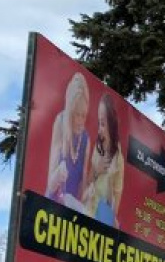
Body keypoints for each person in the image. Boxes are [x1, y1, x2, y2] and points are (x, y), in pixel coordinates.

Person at [47, 72, 92, 211]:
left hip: (70, 214)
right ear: (69, 112)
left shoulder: (86, 139)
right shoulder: (60, 123)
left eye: (83, 115)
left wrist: (88, 195)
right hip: (50, 206)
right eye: (75, 115)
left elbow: (81, 192)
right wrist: (58, 174)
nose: (80, 121)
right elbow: (50, 185)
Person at [84, 93, 124, 227]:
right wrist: (97, 170)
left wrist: (109, 224)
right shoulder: (98, 148)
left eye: (102, 124)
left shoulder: (118, 159)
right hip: (88, 209)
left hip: (102, 217)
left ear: (111, 125)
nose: (99, 129)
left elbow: (117, 198)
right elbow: (87, 181)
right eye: (98, 123)